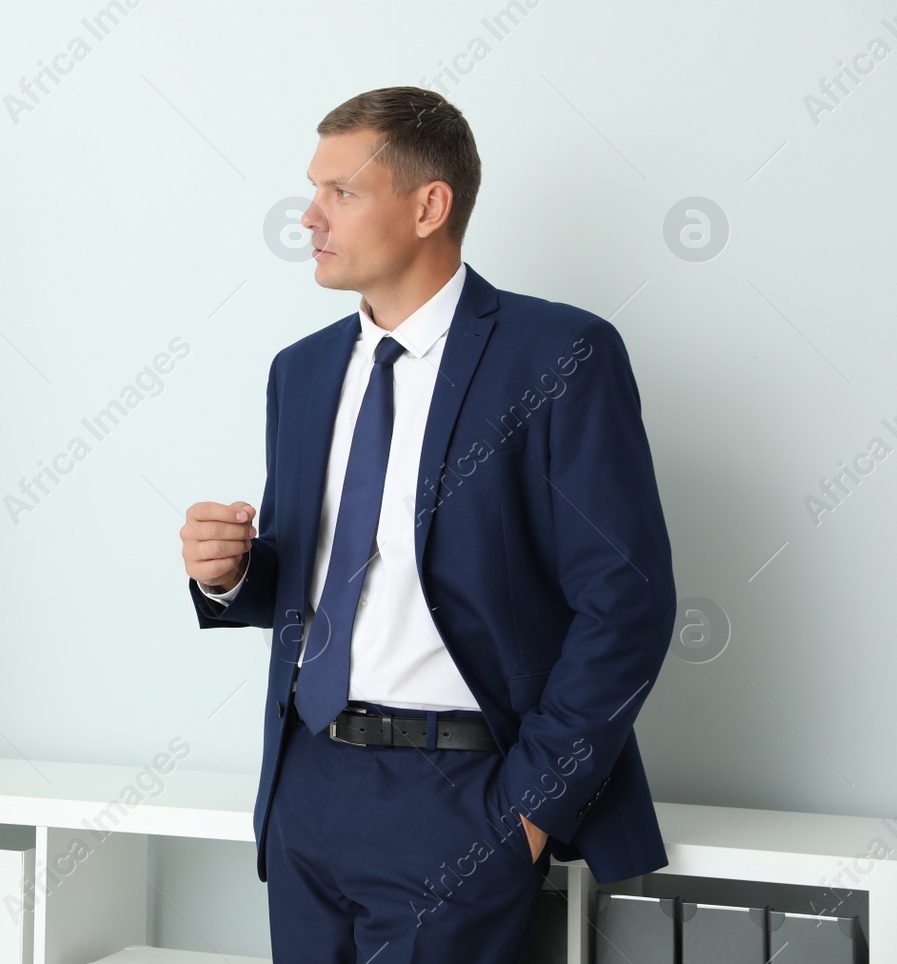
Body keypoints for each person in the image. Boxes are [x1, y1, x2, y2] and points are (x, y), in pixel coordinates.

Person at [179, 86, 676, 962]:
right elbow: (321, 578)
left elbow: (627, 603)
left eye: (340, 191)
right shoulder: (301, 372)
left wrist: (524, 813)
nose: (307, 216)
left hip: (461, 793)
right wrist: (230, 574)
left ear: (428, 205)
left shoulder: (559, 355)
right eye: (313, 189)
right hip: (306, 783)